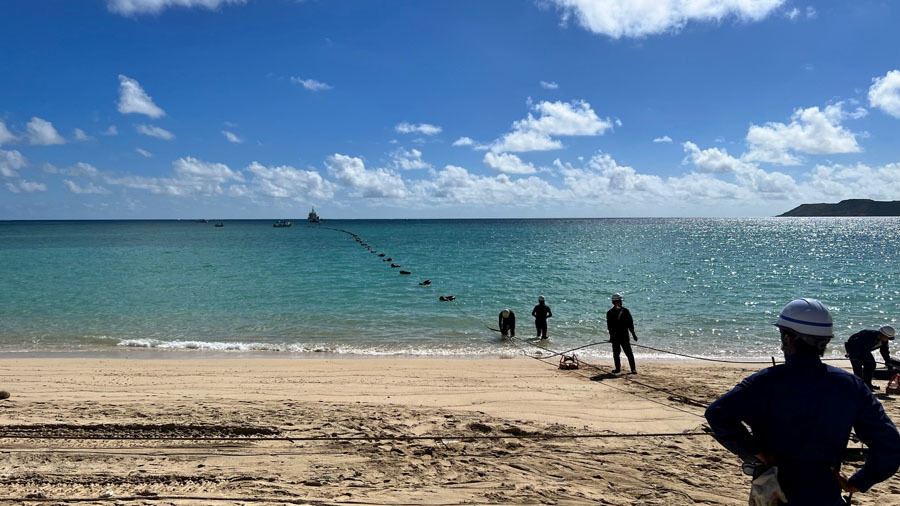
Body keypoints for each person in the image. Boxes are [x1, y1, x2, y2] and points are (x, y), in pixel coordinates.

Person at [705, 298, 900, 505]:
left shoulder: (764, 382)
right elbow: (889, 447)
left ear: (788, 339)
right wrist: (859, 482)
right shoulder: (850, 386)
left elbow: (717, 414)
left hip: (773, 492)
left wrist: (754, 451)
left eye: (782, 337)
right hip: (825, 492)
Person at [845, 325, 895, 391]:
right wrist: (852, 354)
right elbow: (851, 342)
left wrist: (888, 362)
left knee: (871, 365)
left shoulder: (884, 340)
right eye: (887, 337)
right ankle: (859, 386)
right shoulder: (868, 336)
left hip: (865, 350)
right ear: (881, 334)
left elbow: (884, 351)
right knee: (858, 368)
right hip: (853, 349)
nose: (887, 339)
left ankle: (868, 384)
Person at [606, 293, 637, 374]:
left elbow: (630, 324)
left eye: (620, 301)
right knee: (616, 353)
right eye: (619, 301)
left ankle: (633, 369)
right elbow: (609, 327)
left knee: (628, 353)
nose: (621, 302)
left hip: (624, 335)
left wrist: (633, 334)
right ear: (615, 302)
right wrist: (611, 337)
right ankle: (618, 369)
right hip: (616, 336)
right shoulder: (609, 313)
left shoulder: (625, 311)